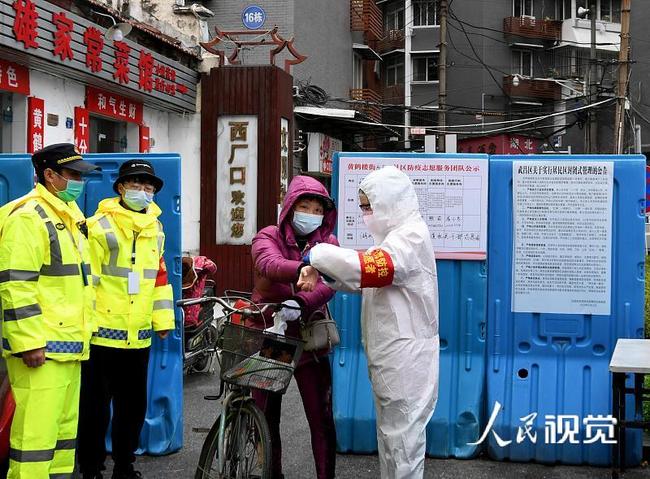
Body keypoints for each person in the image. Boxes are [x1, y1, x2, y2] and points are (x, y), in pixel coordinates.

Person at [298, 166, 439, 479]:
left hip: (405, 359)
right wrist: (324, 270)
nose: (365, 214)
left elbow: (371, 270)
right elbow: (363, 277)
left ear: (391, 201)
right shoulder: (395, 238)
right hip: (395, 357)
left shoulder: (410, 238)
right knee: (393, 440)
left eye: (368, 206)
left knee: (403, 446)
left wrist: (317, 255)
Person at [0, 143, 99, 478]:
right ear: (49, 175)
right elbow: (16, 284)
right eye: (72, 175)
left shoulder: (69, 218)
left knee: (60, 441)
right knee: (34, 442)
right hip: (42, 349)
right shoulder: (28, 217)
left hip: (68, 347)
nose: (78, 182)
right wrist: (29, 341)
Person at [77, 160, 175, 479]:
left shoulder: (156, 230)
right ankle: (91, 467)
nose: (143, 192)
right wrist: (86, 325)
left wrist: (162, 322)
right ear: (120, 187)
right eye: (136, 185)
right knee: (94, 408)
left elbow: (158, 279)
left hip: (138, 336)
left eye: (149, 188)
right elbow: (86, 281)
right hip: (101, 335)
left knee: (132, 409)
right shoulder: (99, 226)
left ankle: (124, 465)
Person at [250, 175, 338, 479]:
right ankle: (272, 473)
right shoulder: (268, 235)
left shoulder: (328, 243)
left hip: (309, 334)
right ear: (290, 207)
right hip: (274, 336)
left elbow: (330, 282)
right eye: (305, 206)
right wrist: (302, 268)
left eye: (318, 209)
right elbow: (268, 264)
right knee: (266, 415)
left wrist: (301, 302)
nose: (311, 214)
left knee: (321, 418)